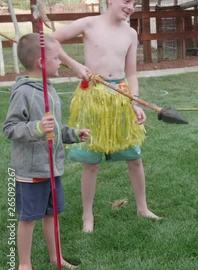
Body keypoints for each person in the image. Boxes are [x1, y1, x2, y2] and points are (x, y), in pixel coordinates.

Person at [51, 0, 160, 233]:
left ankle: (142, 207)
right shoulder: (89, 23)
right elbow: (52, 40)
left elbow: (131, 72)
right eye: (127, 1)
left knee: (135, 158)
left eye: (135, 3)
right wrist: (74, 65)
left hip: (120, 97)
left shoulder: (131, 33)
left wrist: (135, 101)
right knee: (91, 164)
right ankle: (87, 216)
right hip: (93, 99)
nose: (131, 6)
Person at [3, 33, 90, 270]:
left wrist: (73, 134)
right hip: (31, 171)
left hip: (52, 167)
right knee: (29, 217)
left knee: (52, 214)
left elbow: (54, 129)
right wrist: (36, 128)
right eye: (56, 58)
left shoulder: (48, 89)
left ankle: (56, 257)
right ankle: (24, 265)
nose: (61, 62)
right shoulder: (24, 92)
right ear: (42, 63)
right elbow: (10, 128)